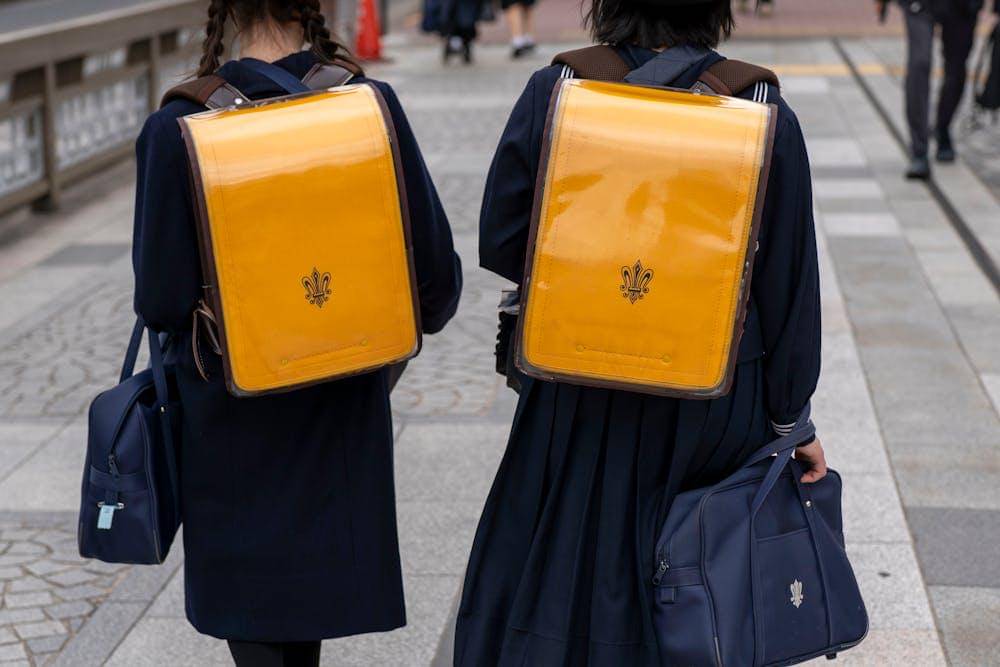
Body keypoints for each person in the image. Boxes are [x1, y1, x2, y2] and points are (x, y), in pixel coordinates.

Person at [454, 0, 826, 664]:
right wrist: (790, 421)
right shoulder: (760, 107)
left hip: (577, 380)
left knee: (563, 566)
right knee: (693, 578)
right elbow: (788, 287)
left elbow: (503, 238)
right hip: (710, 398)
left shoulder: (560, 89)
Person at [131, 1, 462, 665]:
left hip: (231, 433)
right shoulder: (367, 107)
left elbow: (161, 301)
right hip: (339, 421)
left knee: (257, 634)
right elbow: (436, 287)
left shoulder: (178, 127)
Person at [884, 0, 995, 179]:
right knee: (919, 64)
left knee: (956, 69)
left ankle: (943, 127)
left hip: (962, 6)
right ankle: (919, 150)